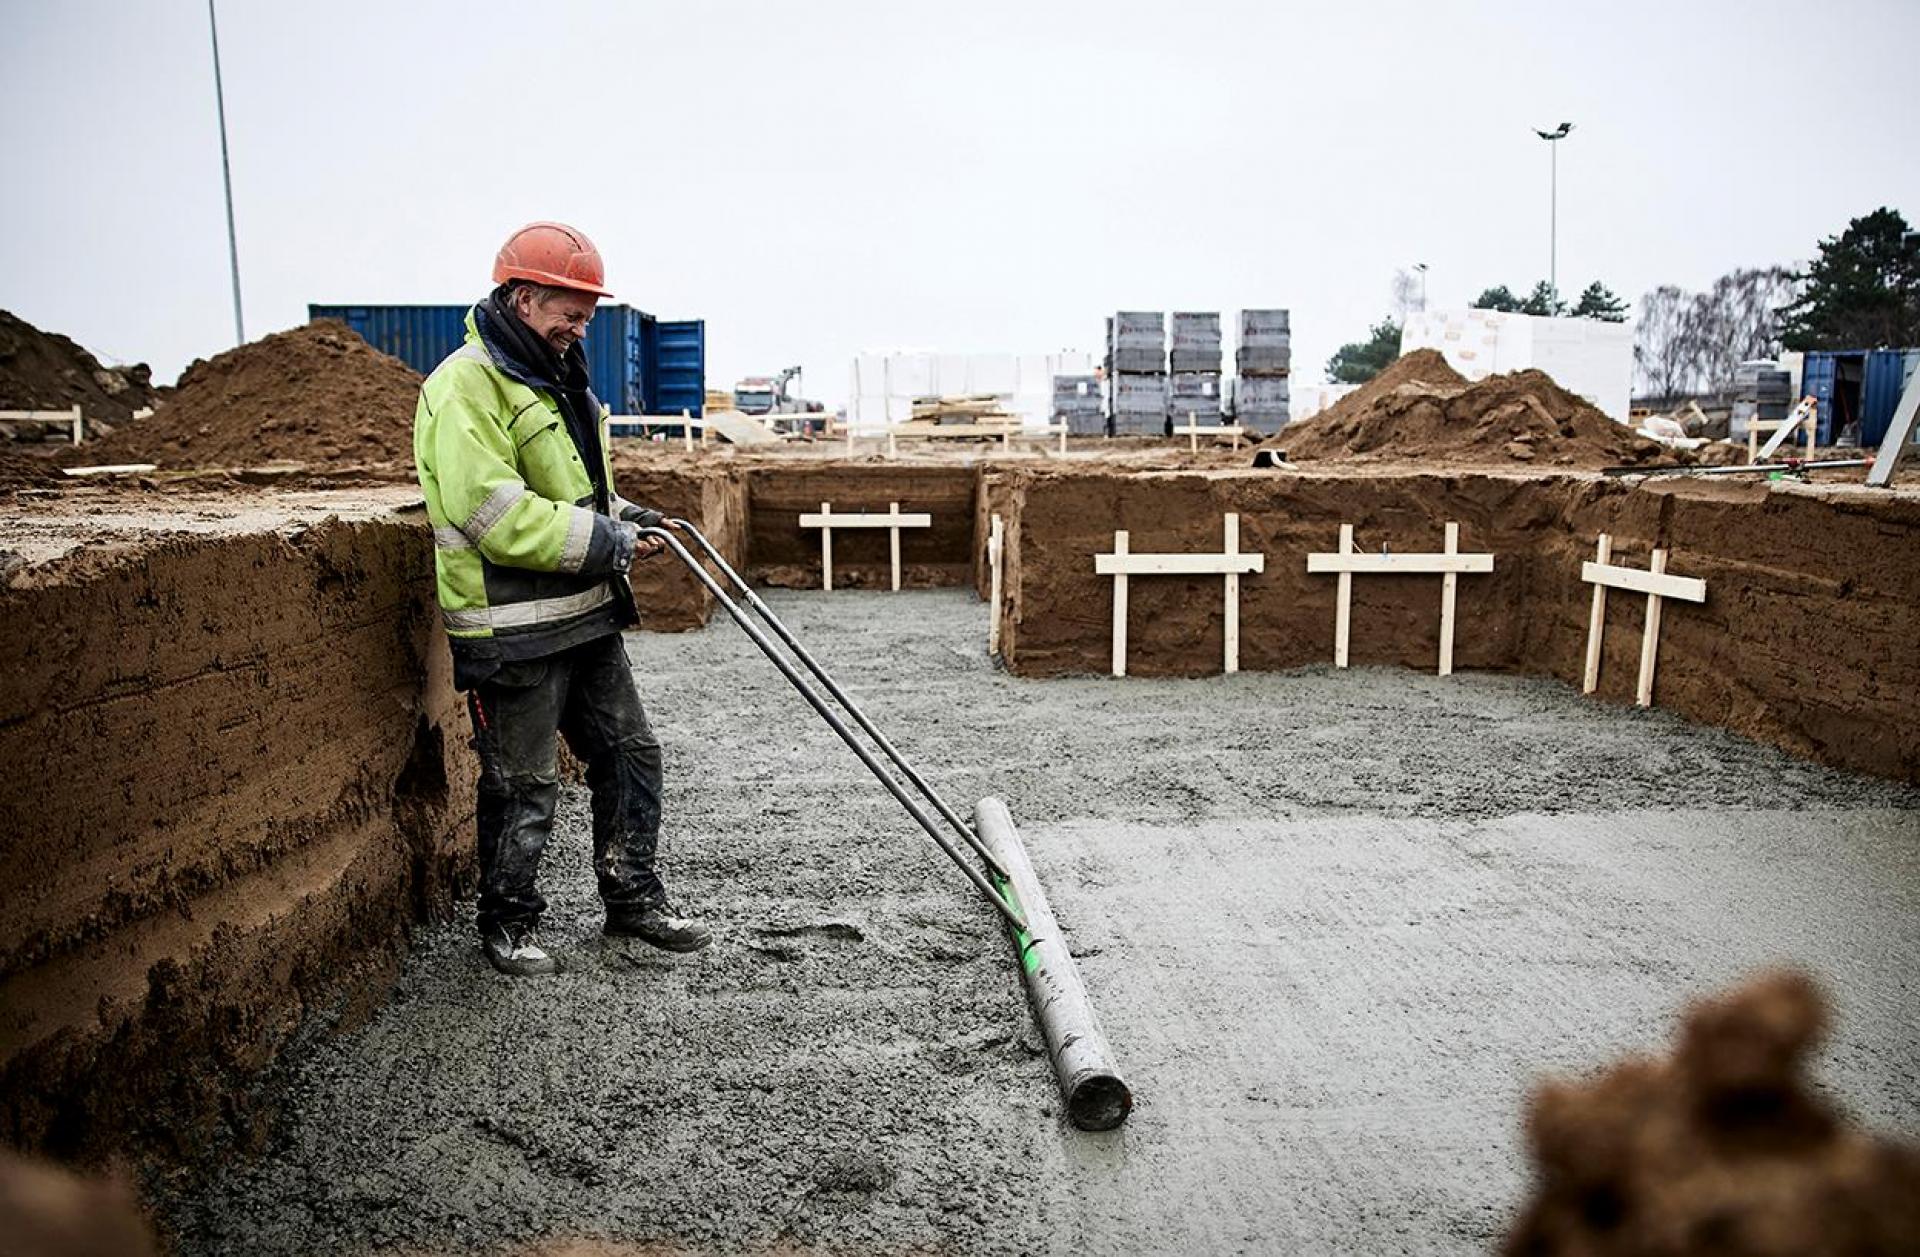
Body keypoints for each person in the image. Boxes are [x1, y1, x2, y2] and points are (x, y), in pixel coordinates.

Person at [412, 221, 710, 976]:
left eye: (586, 314)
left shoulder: (558, 374)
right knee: (525, 783)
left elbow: (574, 492)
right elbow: (498, 516)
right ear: (520, 296)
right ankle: (507, 922)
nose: (579, 328)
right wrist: (610, 544)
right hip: (512, 629)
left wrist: (627, 515)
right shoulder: (464, 387)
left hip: (583, 616)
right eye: (567, 312)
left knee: (630, 752)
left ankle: (632, 900)